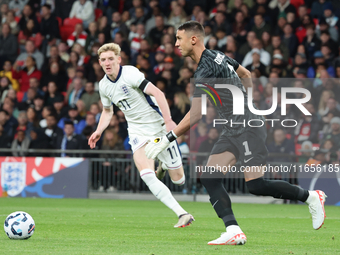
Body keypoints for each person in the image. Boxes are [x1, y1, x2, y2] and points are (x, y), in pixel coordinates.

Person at [145, 21, 327, 245]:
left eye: (178, 39)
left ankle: (311, 197)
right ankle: (233, 230)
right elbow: (246, 73)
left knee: (256, 185)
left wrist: (168, 138)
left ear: (193, 39)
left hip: (249, 127)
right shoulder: (217, 55)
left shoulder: (205, 69)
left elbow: (197, 113)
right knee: (209, 176)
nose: (175, 44)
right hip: (232, 128)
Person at [88, 43, 194, 228]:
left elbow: (158, 93)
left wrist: (168, 121)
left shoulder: (130, 74)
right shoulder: (103, 85)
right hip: (136, 131)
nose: (107, 63)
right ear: (99, 62)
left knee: (179, 180)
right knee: (146, 174)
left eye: (111, 58)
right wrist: (98, 130)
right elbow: (107, 111)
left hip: (157, 126)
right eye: (103, 60)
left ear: (119, 60)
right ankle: (182, 214)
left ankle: (164, 165)